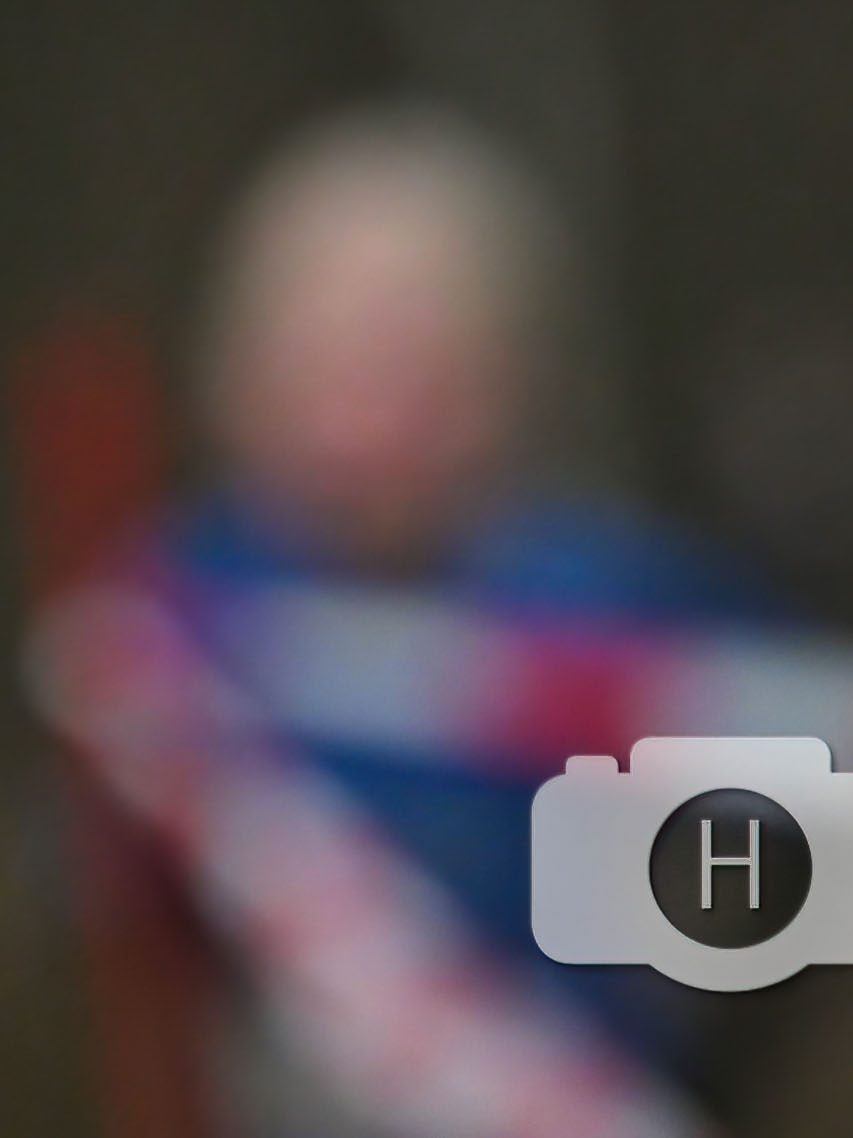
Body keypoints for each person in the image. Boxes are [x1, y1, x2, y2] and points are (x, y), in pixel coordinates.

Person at [152, 107, 765, 1110]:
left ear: (505, 384)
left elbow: (816, 843)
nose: (364, 420)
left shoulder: (608, 604)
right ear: (240, 375)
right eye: (330, 365)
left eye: (410, 367)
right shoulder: (172, 621)